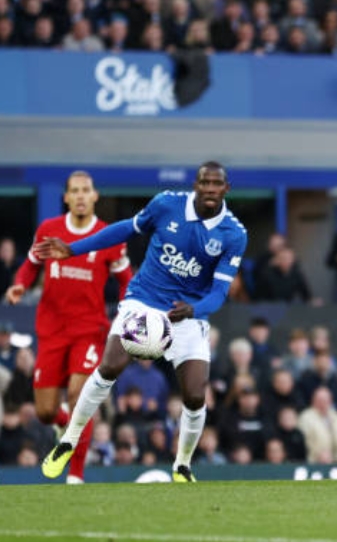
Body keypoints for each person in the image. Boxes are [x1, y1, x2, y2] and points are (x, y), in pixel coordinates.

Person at [38, 161, 247, 483]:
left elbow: (220, 292)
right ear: (195, 185)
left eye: (216, 184)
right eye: (204, 182)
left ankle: (182, 465)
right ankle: (69, 440)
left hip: (186, 313)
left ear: (226, 189)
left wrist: (194, 310)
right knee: (109, 366)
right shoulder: (166, 204)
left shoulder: (233, 233)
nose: (209, 189)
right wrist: (73, 249)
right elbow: (124, 229)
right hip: (143, 301)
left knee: (195, 396)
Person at [4, 171, 133, 484]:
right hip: (51, 329)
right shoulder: (49, 230)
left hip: (89, 329)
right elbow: (31, 265)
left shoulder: (108, 235)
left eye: (85, 190)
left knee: (79, 396)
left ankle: (75, 476)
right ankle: (66, 424)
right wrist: (20, 284)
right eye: (74, 190)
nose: (80, 196)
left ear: (95, 196)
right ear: (66, 197)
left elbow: (125, 280)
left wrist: (127, 311)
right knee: (45, 412)